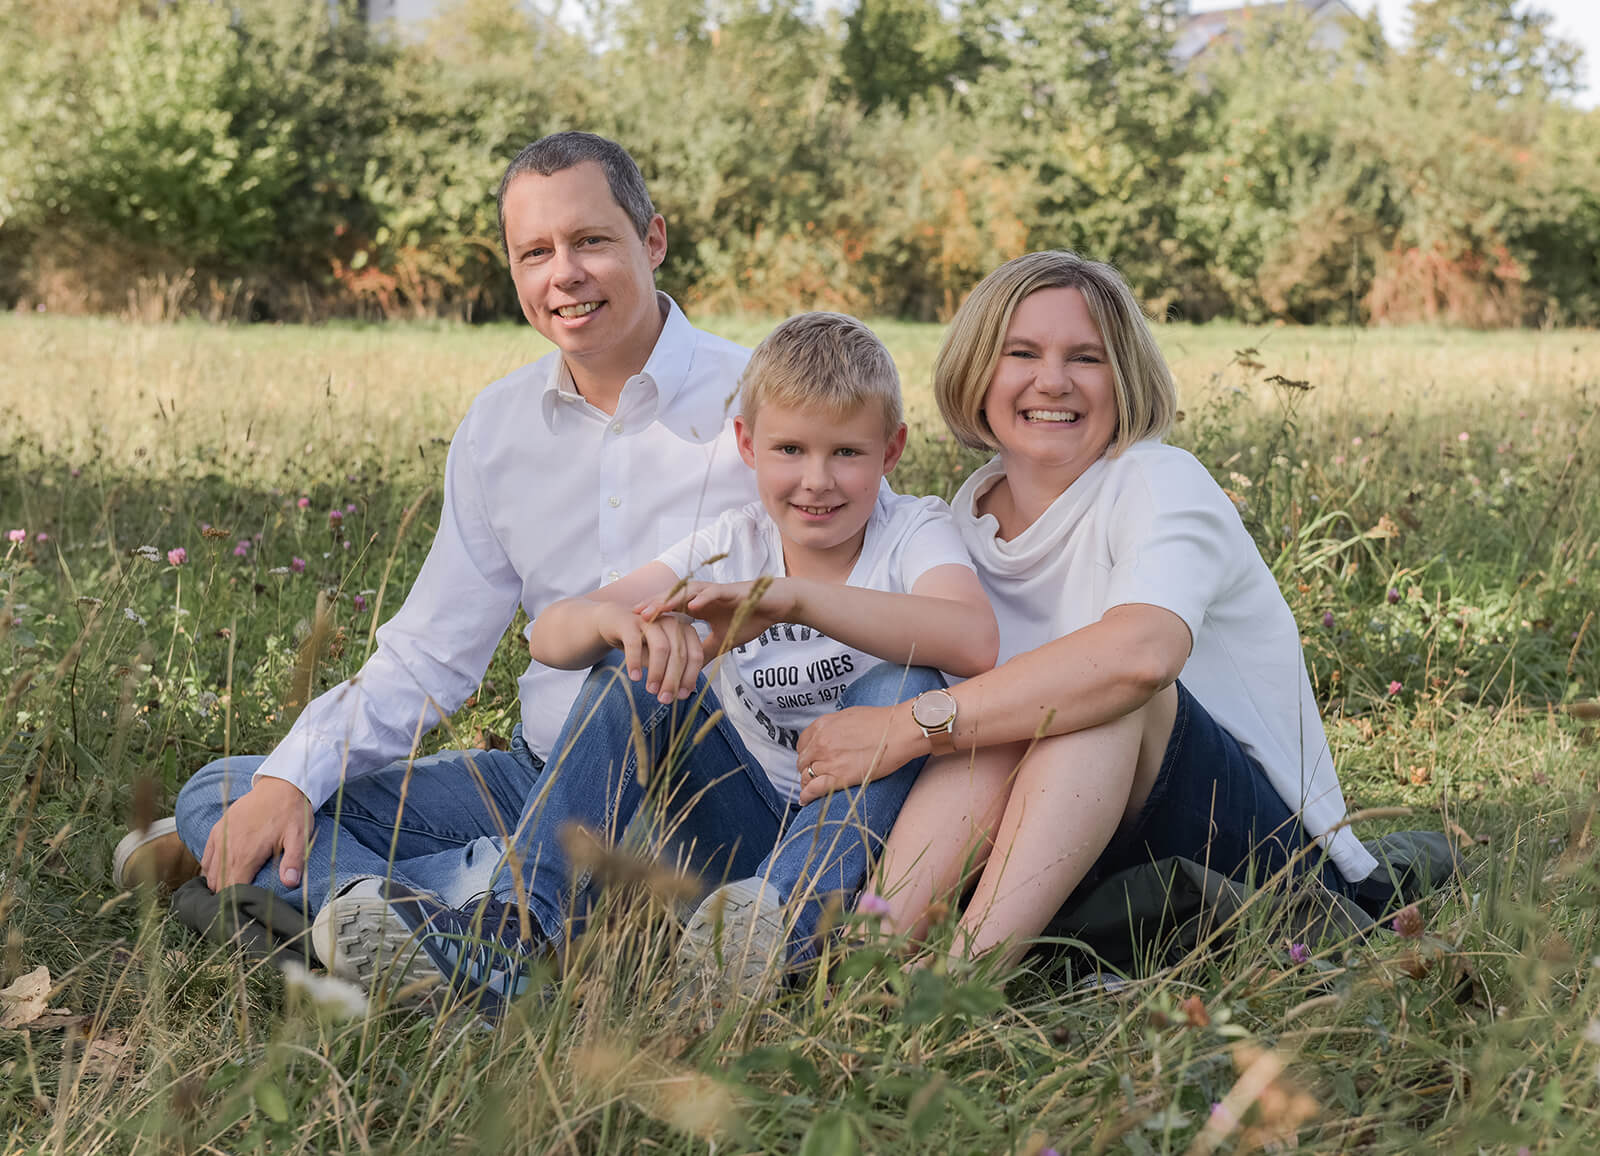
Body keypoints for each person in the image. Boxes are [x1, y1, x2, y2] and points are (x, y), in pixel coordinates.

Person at [111, 132, 759, 924]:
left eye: (591, 240)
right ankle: (403, 914)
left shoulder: (762, 400)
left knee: (627, 779)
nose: (565, 274)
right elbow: (427, 657)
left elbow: (859, 590)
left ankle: (342, 903)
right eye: (535, 252)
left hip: (713, 797)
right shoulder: (499, 428)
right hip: (536, 777)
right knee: (234, 788)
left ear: (652, 239)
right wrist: (289, 781)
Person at [317, 312, 999, 1016]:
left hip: (856, 857)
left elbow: (973, 638)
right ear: (747, 445)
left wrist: (797, 599)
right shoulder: (732, 543)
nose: (816, 481)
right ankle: (516, 929)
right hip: (737, 828)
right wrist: (612, 621)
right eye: (790, 449)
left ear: (891, 452)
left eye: (847, 454)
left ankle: (771, 936)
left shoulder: (912, 530)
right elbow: (550, 636)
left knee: (907, 683)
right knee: (642, 658)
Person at [790, 251, 1379, 967]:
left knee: (1091, 694)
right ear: (979, 371)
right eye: (1022, 353)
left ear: (1123, 377)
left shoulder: (1160, 482)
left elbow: (1140, 659)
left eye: (1086, 358)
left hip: (1259, 859)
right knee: (997, 714)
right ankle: (864, 964)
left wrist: (905, 727)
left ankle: (959, 981)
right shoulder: (956, 526)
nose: (1052, 380)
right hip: (1077, 858)